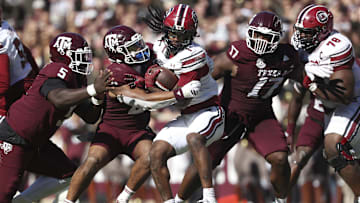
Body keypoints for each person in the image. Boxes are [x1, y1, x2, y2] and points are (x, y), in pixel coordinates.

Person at [171, 11, 303, 203]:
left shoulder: (288, 57)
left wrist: (319, 83)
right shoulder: (237, 54)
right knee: (208, 159)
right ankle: (179, 200)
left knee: (281, 159)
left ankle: (280, 200)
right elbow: (204, 80)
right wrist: (184, 96)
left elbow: (304, 81)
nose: (260, 40)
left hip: (262, 116)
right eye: (257, 34)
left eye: (266, 36)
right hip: (230, 114)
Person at [113, 4, 225, 203]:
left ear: (191, 35)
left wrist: (149, 86)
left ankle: (209, 197)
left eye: (182, 35)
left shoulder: (194, 55)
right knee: (156, 154)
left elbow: (181, 100)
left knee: (194, 138)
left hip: (208, 111)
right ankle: (169, 201)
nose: (175, 39)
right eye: (172, 33)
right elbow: (143, 53)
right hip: (186, 116)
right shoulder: (160, 46)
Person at [0, 32, 113, 203]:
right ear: (64, 55)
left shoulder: (76, 78)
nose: (84, 61)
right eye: (79, 56)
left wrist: (98, 97)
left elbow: (90, 116)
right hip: (15, 137)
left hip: (36, 142)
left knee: (70, 176)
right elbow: (58, 98)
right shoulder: (57, 69)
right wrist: (92, 90)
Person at [64, 25, 156, 203]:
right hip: (112, 129)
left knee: (152, 157)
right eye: (132, 48)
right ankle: (68, 201)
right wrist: (177, 94)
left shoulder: (147, 59)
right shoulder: (114, 73)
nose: (139, 50)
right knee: (91, 162)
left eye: (136, 45)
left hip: (137, 130)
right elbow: (144, 99)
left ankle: (122, 200)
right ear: (118, 53)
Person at [292, 4, 360, 202]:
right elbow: (297, 95)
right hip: (328, 107)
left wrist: (311, 86)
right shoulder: (303, 49)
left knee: (333, 145)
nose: (301, 37)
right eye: (300, 32)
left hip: (353, 100)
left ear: (323, 32)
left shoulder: (337, 46)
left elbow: (344, 95)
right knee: (333, 154)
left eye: (307, 33)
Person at [0, 6, 39, 118]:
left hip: (18, 90)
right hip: (28, 78)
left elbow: (2, 83)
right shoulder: (5, 26)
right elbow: (27, 53)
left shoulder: (1, 39)